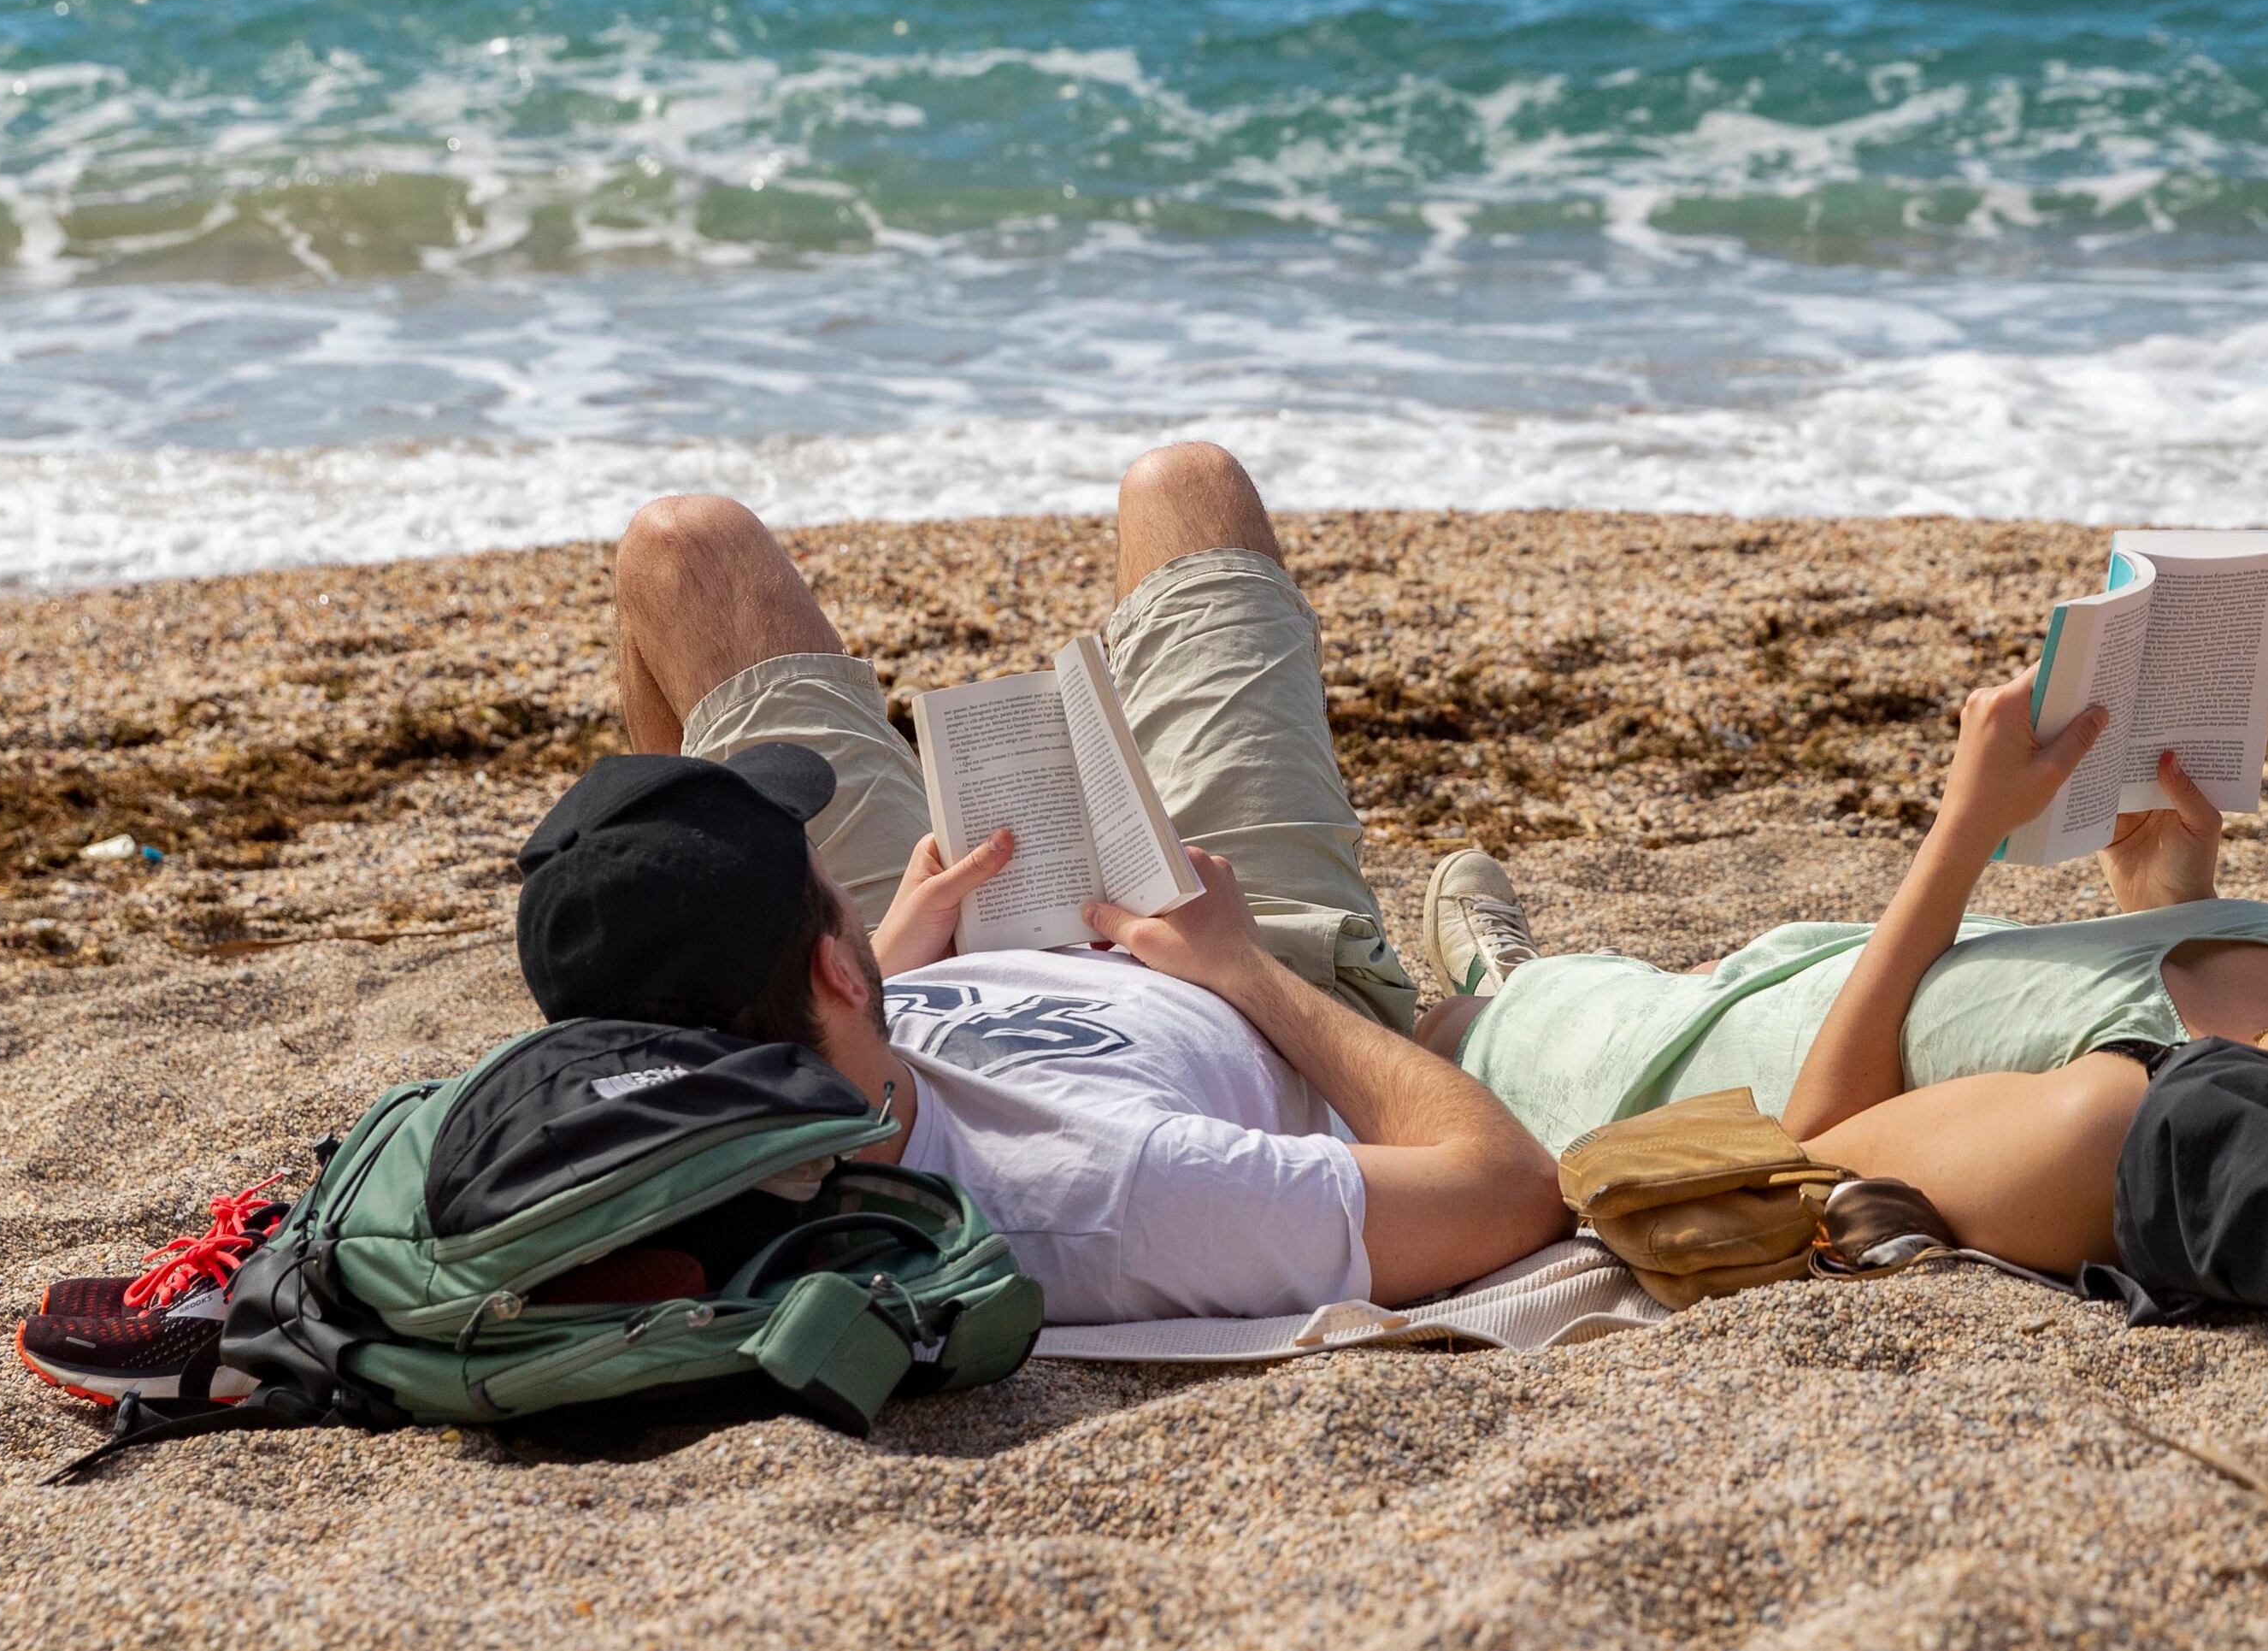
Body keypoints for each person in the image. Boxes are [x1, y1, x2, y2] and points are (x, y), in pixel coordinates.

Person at [594, 443, 1569, 1325]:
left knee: (684, 547)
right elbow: (1506, 1191)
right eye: (807, 880)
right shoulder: (1121, 1192)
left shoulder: (659, 1100)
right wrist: (1239, 968)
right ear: (825, 966)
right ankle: (1486, 1002)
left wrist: (881, 962)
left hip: (895, 986)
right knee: (1189, 487)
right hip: (1247, 978)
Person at [1423, 677, 2268, 1279]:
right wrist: (2167, 893)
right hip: (1779, 972)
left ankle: (1487, 979)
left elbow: (1810, 1146)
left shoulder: (2110, 1124)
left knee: (1203, 501)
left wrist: (1961, 829)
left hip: (1613, 1055)